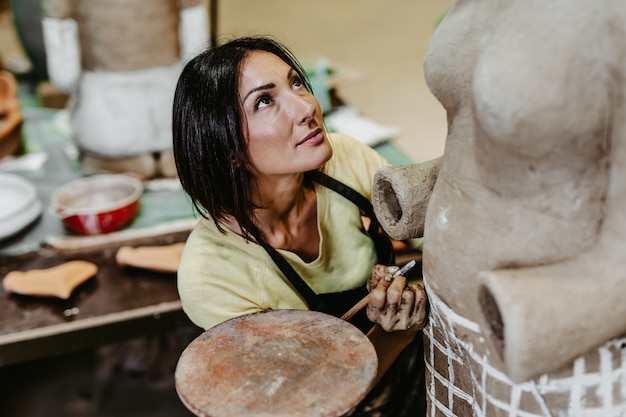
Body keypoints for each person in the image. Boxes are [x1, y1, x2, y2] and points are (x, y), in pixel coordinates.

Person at [172, 36, 428, 416]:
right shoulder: (212, 276)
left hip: (418, 372)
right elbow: (299, 399)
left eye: (296, 83)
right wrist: (393, 334)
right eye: (264, 100)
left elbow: (438, 243)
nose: (306, 107)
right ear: (227, 149)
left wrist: (415, 292)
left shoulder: (345, 159)